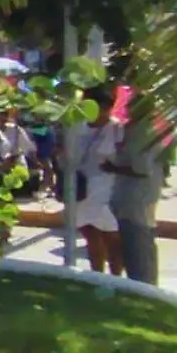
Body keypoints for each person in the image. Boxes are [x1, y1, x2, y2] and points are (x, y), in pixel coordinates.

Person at [111, 114, 169, 285]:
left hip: (136, 199)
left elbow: (142, 168)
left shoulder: (143, 134)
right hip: (134, 198)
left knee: (138, 246)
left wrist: (113, 167)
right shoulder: (140, 132)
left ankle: (144, 287)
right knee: (141, 242)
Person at [71, 104, 125, 276]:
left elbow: (122, 156)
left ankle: (115, 278)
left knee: (112, 238)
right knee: (90, 234)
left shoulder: (116, 128)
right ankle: (96, 276)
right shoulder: (79, 127)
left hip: (106, 189)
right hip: (83, 188)